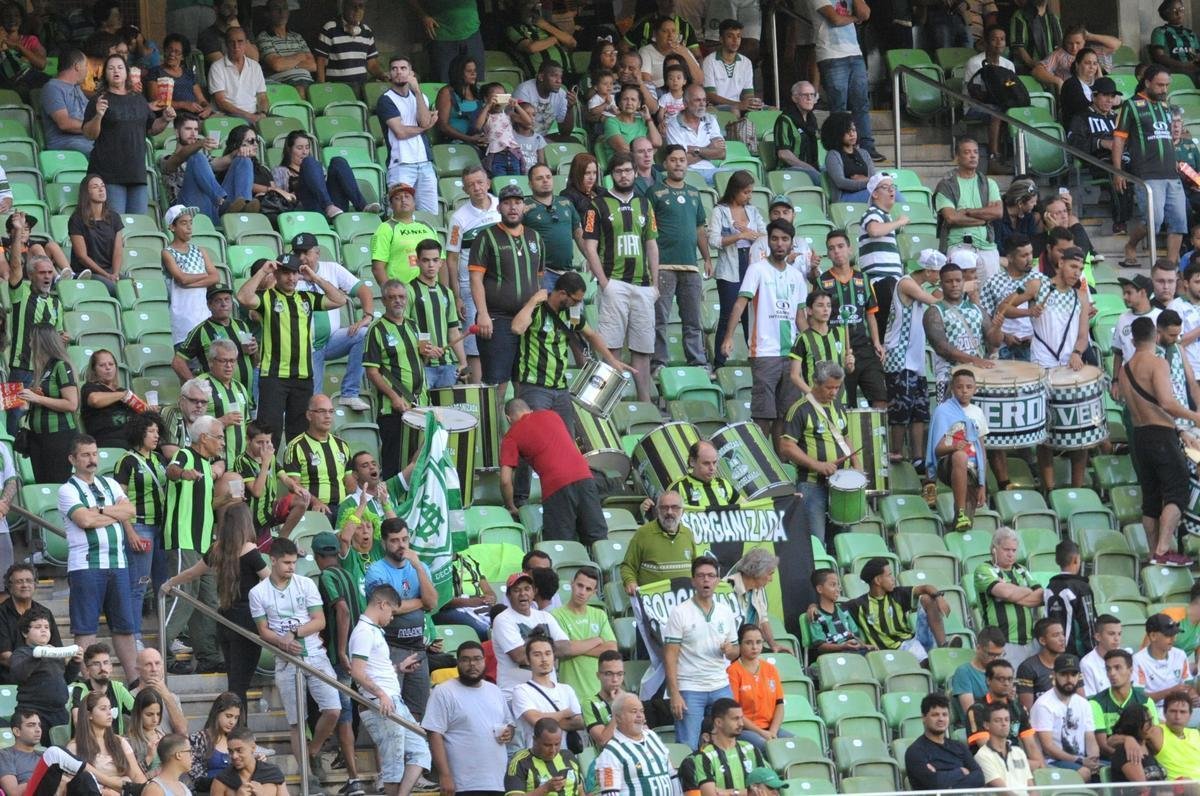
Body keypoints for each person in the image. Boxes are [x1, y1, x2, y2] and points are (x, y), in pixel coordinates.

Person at [249, 537, 342, 781]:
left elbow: (319, 621)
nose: (292, 567)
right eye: (287, 563)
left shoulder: (305, 584)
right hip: (285, 659)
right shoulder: (258, 592)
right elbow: (263, 629)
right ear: (273, 560)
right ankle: (307, 775)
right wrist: (282, 642)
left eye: (294, 562)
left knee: (333, 709)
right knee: (296, 721)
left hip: (314, 653)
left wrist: (295, 633)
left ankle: (313, 750)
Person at [999, 246, 1092, 491]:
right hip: (1042, 365)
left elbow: (1083, 335)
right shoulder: (1037, 285)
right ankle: (1049, 488)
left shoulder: (1081, 295)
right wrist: (1028, 311)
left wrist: (1077, 352)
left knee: (1079, 430)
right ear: (1060, 263)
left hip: (1069, 367)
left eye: (1081, 269)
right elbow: (1004, 307)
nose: (1077, 272)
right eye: (1073, 266)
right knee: (1045, 431)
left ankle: (1078, 488)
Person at [236, 254, 347, 446]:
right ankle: (268, 474)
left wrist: (316, 278)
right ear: (277, 274)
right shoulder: (267, 298)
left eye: (295, 273)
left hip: (303, 377)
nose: (291, 278)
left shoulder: (307, 298)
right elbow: (243, 297)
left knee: (300, 435)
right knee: (270, 432)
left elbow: (339, 300)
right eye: (286, 273)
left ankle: (294, 475)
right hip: (273, 377)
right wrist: (263, 270)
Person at [162, 503, 266, 705]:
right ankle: (236, 730)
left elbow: (192, 573)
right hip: (246, 622)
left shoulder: (217, 549)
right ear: (246, 524)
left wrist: (169, 583)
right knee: (240, 684)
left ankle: (231, 726)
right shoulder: (251, 550)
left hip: (225, 619)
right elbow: (271, 581)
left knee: (234, 682)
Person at [58, 434, 139, 683]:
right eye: (85, 455)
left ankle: (135, 682)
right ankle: (89, 684)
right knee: (85, 629)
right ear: (72, 459)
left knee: (125, 626)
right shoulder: (67, 490)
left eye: (94, 454)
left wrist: (101, 512)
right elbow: (84, 520)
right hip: (86, 565)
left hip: (118, 563)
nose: (92, 459)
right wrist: (113, 514)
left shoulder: (111, 484)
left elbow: (131, 510)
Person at [721, 219, 807, 443]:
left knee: (784, 414)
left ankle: (781, 465)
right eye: (775, 239)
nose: (779, 244)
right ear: (768, 241)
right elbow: (740, 303)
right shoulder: (757, 269)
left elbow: (800, 317)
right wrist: (729, 336)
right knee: (762, 414)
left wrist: (812, 346)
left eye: (785, 239)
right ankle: (762, 462)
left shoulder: (797, 277)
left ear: (791, 243)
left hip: (791, 355)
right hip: (763, 353)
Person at [1123, 316, 1200, 566]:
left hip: (1140, 436)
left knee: (1151, 499)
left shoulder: (1124, 368)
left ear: (1133, 339)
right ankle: (1163, 550)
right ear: (1156, 335)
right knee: (1178, 492)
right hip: (1161, 436)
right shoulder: (1157, 363)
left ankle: (1152, 552)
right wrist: (1194, 416)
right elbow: (1167, 403)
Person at [511, 273, 626, 433]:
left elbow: (591, 335)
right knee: (537, 439)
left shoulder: (572, 314)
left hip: (561, 388)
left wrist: (612, 360)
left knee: (567, 442)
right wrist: (533, 300)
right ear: (563, 294)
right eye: (576, 300)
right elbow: (516, 328)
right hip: (535, 387)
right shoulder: (537, 309)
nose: (578, 304)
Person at [348, 583, 431, 796]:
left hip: (390, 700)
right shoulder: (364, 632)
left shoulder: (372, 631)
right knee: (393, 765)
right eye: (392, 612)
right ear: (382, 604)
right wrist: (381, 694)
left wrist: (399, 668)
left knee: (420, 752)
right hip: (381, 702)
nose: (392, 618)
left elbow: (374, 670)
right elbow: (357, 672)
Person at [470, 184, 545, 398]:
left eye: (517, 202)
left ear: (524, 207)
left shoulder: (535, 238)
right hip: (497, 320)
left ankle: (520, 430)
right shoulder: (486, 237)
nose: (513, 207)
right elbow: (475, 280)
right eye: (507, 203)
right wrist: (482, 314)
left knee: (524, 382)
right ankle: (493, 431)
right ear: (499, 208)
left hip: (528, 320)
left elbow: (539, 279)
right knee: (497, 384)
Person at [1113, 65, 1187, 266]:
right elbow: (1119, 140)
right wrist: (1117, 171)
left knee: (1179, 221)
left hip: (1171, 174)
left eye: (1167, 85)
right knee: (1153, 221)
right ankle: (1131, 245)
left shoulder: (1166, 107)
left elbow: (1168, 138)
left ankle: (1171, 265)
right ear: (1147, 82)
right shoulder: (1131, 106)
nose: (1164, 89)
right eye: (1160, 85)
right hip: (1147, 173)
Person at [663, 556, 738, 750]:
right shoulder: (680, 612)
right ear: (693, 581)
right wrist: (675, 694)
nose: (706, 580)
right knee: (688, 745)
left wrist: (730, 651)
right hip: (690, 686)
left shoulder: (725, 611)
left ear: (717, 580)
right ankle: (689, 781)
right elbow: (670, 656)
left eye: (711, 576)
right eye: (701, 576)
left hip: (720, 684)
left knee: (727, 740)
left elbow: (735, 651)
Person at [82, 54, 172, 214]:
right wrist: (98, 116)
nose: (115, 71)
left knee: (138, 225)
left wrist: (165, 119)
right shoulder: (99, 100)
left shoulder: (138, 99)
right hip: (109, 173)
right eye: (111, 68)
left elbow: (151, 128)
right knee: (117, 224)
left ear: (126, 73)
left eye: (120, 67)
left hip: (136, 173)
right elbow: (89, 134)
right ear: (105, 74)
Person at [778, 360, 855, 544]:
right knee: (816, 540)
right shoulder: (799, 409)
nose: (834, 392)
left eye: (837, 387)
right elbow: (786, 446)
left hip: (840, 485)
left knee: (842, 540)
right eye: (829, 387)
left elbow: (845, 438)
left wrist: (857, 467)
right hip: (812, 485)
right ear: (816, 383)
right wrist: (817, 465)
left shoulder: (838, 407)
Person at [423, 639, 511, 794]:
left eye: (477, 659)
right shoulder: (444, 691)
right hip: (462, 783)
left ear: (484, 661)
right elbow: (434, 734)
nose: (472, 664)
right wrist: (445, 775)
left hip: (496, 781)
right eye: (465, 659)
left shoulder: (495, 691)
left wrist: (509, 732)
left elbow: (508, 725)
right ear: (457, 663)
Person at [883, 251, 943, 468]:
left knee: (919, 410)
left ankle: (918, 457)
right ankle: (896, 452)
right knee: (901, 409)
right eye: (938, 273)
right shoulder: (906, 283)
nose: (939, 277)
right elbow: (934, 301)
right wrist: (959, 287)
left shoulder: (919, 285)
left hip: (914, 357)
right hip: (898, 356)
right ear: (927, 271)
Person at [362, 279, 426, 480]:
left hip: (420, 405)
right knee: (394, 462)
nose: (398, 301)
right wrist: (394, 397)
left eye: (401, 297)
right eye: (392, 298)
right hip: (392, 409)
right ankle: (392, 507)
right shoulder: (376, 329)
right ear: (384, 300)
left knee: (419, 460)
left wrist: (432, 352)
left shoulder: (415, 326)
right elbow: (372, 372)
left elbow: (423, 356)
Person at [817, 230, 889, 407]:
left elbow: (870, 313)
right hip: (836, 351)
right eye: (832, 248)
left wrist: (877, 342)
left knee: (880, 397)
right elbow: (817, 317)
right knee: (843, 404)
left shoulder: (863, 279)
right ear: (828, 254)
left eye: (841, 246)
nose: (837, 251)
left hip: (864, 349)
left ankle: (877, 434)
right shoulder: (821, 281)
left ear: (849, 249)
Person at [446, 165, 500, 382]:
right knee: (474, 342)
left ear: (488, 183)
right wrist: (456, 295)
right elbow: (451, 259)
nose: (477, 188)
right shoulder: (458, 219)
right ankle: (477, 391)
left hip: (500, 283)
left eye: (480, 182)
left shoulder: (502, 206)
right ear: (465, 189)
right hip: (470, 285)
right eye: (471, 185)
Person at [709, 170, 765, 368]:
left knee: (752, 315)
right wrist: (739, 236)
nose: (749, 196)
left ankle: (756, 360)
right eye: (745, 192)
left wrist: (749, 233)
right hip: (730, 267)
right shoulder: (720, 211)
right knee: (728, 314)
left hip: (750, 263)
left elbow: (765, 237)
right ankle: (719, 363)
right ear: (735, 190)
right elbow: (714, 241)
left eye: (750, 192)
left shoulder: (753, 211)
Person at [158, 115, 256, 224]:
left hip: (211, 207)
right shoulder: (165, 159)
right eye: (188, 129)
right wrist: (199, 144)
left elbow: (222, 161)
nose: (193, 133)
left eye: (195, 129)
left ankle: (245, 209)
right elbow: (179, 157)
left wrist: (240, 152)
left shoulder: (203, 159)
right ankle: (221, 202)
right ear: (176, 132)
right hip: (186, 210)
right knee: (196, 157)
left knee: (243, 160)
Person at [848, 557, 949, 659]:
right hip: (890, 654)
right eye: (889, 575)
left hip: (912, 642)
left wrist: (938, 597)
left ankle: (944, 647)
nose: (893, 579)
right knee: (919, 654)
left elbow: (925, 588)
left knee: (928, 599)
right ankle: (928, 662)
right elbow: (835, 611)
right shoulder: (859, 605)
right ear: (878, 580)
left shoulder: (897, 594)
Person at [928, 367, 989, 530]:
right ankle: (960, 510)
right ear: (953, 389)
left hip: (972, 469)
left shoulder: (977, 412)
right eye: (959, 387)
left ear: (975, 389)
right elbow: (937, 450)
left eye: (969, 387)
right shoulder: (943, 411)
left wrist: (983, 484)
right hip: (949, 464)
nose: (964, 391)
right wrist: (954, 447)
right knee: (960, 456)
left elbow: (981, 449)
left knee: (966, 524)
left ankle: (958, 530)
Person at [492, 571, 570, 695]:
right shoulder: (503, 619)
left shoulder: (545, 616)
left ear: (534, 592)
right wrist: (549, 648)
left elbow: (566, 647)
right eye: (516, 590)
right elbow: (520, 656)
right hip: (515, 693)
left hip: (548, 691)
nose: (523, 593)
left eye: (527, 589)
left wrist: (533, 649)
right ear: (508, 595)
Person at [935, 138, 1002, 282]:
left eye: (976, 152)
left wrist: (968, 211)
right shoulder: (947, 185)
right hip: (959, 245)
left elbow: (998, 212)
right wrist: (984, 218)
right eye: (967, 152)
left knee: (992, 292)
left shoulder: (989, 183)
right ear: (957, 157)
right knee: (961, 292)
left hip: (987, 246)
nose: (973, 156)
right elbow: (951, 218)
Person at [376, 55, 437, 214]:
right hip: (401, 163)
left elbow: (423, 122)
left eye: (403, 68)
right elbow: (401, 132)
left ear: (411, 73)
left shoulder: (421, 97)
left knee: (430, 214)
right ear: (389, 74)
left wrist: (417, 91)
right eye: (394, 69)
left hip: (424, 162)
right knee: (399, 213)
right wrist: (426, 127)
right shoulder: (385, 100)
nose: (398, 72)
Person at [975, 526, 1044, 664]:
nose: (1011, 554)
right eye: (1006, 549)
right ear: (994, 549)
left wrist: (1011, 596)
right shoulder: (984, 569)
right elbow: (1004, 592)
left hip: (1030, 642)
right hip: (1002, 643)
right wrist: (1023, 590)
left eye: (1014, 550)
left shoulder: (1021, 569)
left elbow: (1041, 595)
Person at [550, 567, 617, 709]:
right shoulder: (556, 615)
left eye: (588, 589)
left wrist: (575, 647)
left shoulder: (599, 615)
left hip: (599, 693)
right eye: (580, 585)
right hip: (571, 694)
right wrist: (596, 641)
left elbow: (611, 649)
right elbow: (563, 649)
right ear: (571, 583)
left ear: (594, 593)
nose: (582, 592)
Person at [272, 131, 376, 219]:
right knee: (309, 162)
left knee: (338, 161)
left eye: (307, 148)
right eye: (299, 148)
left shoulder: (316, 166)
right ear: (289, 150)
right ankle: (328, 206)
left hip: (335, 207)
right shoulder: (280, 171)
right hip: (307, 207)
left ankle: (363, 206)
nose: (304, 152)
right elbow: (280, 199)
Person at [1031, 654, 1100, 780]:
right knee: (1084, 772)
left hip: (1081, 760)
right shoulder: (1044, 704)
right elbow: (1048, 747)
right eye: (1064, 674)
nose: (1069, 679)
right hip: (1053, 761)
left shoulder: (1083, 703)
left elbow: (1090, 738)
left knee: (1109, 769)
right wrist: (1080, 761)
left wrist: (1093, 759)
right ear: (1054, 675)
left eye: (1073, 675)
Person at [966, 658, 1044, 768]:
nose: (1007, 683)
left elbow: (1031, 746)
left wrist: (1042, 771)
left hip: (1017, 763)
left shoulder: (1018, 708)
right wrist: (1024, 764)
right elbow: (988, 749)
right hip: (989, 767)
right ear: (988, 680)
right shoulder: (977, 710)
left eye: (1010, 679)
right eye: (1001, 679)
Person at [10, 609, 75, 742]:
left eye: (46, 627)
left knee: (60, 750)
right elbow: (19, 674)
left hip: (58, 713)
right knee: (36, 749)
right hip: (33, 712)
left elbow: (66, 679)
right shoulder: (21, 653)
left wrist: (75, 663)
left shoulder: (55, 653)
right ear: (25, 632)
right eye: (38, 627)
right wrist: (38, 655)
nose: (44, 630)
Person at [593, 693, 679, 794]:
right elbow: (610, 793)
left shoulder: (652, 736)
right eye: (633, 712)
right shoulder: (610, 753)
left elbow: (672, 774)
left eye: (641, 711)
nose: (640, 716)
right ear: (618, 718)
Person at [511, 635, 585, 751]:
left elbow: (580, 722)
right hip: (537, 757)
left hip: (567, 756)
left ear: (554, 657)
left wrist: (546, 719)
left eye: (548, 653)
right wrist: (564, 713)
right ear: (528, 660)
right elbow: (537, 721)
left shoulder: (567, 689)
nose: (544, 659)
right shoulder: (521, 690)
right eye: (537, 655)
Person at [619, 491, 700, 594]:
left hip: (685, 602)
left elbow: (696, 567)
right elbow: (627, 566)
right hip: (654, 603)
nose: (669, 512)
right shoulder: (643, 533)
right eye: (664, 507)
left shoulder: (688, 534)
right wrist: (630, 581)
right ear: (657, 510)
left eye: (674, 507)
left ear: (682, 511)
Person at [161, 206, 219, 344]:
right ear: (172, 227)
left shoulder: (200, 250)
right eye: (183, 223)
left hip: (204, 313)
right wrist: (205, 275)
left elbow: (216, 277)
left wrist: (189, 281)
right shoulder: (167, 253)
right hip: (183, 317)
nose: (189, 227)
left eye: (190, 222)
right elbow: (181, 279)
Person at [0, 565, 68, 683]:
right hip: (9, 678)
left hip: (44, 677)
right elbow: (4, 657)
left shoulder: (45, 612)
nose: (25, 585)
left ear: (35, 584)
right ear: (10, 586)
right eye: (19, 581)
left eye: (29, 581)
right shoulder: (1, 613)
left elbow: (57, 650)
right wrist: (35, 667)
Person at [726, 624, 788, 752]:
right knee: (769, 748)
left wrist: (773, 731)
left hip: (771, 729)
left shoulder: (770, 669)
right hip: (745, 730)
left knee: (797, 744)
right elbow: (735, 712)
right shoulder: (733, 671)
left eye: (759, 642)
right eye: (749, 643)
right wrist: (762, 733)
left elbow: (780, 704)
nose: (754, 647)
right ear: (740, 645)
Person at [905, 693, 985, 790]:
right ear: (924, 718)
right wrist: (960, 771)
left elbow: (979, 777)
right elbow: (933, 784)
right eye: (935, 715)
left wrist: (947, 784)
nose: (941, 719)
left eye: (945, 714)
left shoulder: (959, 747)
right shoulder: (915, 751)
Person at [67, 691, 145, 789]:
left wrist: (145, 790)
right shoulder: (75, 747)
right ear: (89, 715)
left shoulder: (120, 742)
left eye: (109, 708)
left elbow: (136, 774)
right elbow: (73, 784)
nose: (109, 713)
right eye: (103, 709)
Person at [1091, 648, 1159, 760]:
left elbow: (1153, 737)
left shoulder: (1146, 702)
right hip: (1112, 761)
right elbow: (1103, 746)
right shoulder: (1096, 703)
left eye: (1117, 668)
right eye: (1108, 669)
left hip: (1143, 757)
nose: (1112, 673)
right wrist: (1128, 757)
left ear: (1130, 670)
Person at [370, 184, 439, 287]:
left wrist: (444, 291)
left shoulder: (427, 226)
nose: (403, 200)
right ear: (391, 205)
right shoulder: (385, 228)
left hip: (431, 290)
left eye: (407, 196)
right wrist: (391, 293)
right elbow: (377, 268)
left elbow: (441, 261)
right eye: (397, 198)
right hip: (401, 292)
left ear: (414, 202)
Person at [68, 174, 124, 291]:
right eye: (95, 187)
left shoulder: (114, 217)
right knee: (115, 288)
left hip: (109, 271)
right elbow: (82, 256)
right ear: (86, 193)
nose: (101, 189)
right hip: (87, 272)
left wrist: (115, 274)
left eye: (102, 186)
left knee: (130, 287)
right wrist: (106, 275)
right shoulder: (77, 219)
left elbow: (118, 250)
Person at [313, 0, 386, 87]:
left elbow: (372, 64)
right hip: (338, 87)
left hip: (361, 87)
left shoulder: (367, 32)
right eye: (353, 6)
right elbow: (321, 60)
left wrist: (383, 76)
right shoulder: (330, 28)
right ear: (344, 7)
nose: (357, 10)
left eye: (361, 6)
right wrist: (322, 85)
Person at [1133, 613, 1198, 711]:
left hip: (1180, 708)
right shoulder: (1138, 660)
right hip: (1152, 710)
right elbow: (1139, 699)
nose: (1173, 638)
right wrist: (1170, 692)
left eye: (1175, 634)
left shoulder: (1180, 655)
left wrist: (1193, 695)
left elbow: (1188, 684)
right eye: (1168, 635)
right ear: (1153, 636)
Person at [1044, 540, 1097, 659]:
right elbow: (1088, 624)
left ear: (1057, 561)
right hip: (1077, 656)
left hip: (1053, 655)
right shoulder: (1082, 587)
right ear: (1076, 560)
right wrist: (1094, 655)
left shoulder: (1049, 587)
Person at [505, 717, 585, 796]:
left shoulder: (568, 756)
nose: (553, 750)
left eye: (557, 744)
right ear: (535, 740)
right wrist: (545, 788)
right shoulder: (520, 762)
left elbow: (580, 791)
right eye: (547, 745)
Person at [67, 642, 134, 734]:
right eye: (96, 664)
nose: (102, 668)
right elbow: (77, 721)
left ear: (111, 667)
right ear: (87, 669)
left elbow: (139, 712)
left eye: (106, 663)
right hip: (88, 744)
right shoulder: (80, 690)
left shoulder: (118, 688)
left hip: (116, 745)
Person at [665, 84, 726, 184]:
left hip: (712, 170)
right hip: (688, 173)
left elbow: (722, 154)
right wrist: (709, 148)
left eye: (704, 100)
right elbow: (680, 161)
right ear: (685, 103)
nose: (702, 104)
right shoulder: (673, 125)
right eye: (697, 100)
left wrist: (695, 150)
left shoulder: (710, 119)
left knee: (743, 176)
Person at [255, 0, 315, 95]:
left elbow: (313, 65)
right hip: (282, 84)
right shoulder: (264, 37)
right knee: (300, 90)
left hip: (308, 82)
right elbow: (277, 65)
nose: (281, 12)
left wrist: (288, 63)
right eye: (276, 8)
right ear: (268, 13)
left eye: (285, 8)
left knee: (324, 92)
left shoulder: (297, 37)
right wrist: (299, 57)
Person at [806, 568, 870, 657]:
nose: (838, 589)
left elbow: (855, 636)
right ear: (820, 589)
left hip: (854, 652)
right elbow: (820, 647)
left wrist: (866, 646)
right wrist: (842, 647)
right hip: (835, 657)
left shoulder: (844, 608)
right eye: (833, 585)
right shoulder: (815, 614)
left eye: (838, 585)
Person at [207, 28, 266, 123]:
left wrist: (263, 113)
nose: (236, 46)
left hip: (254, 115)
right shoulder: (217, 67)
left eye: (240, 41)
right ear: (226, 44)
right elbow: (221, 102)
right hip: (227, 116)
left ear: (246, 44)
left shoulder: (255, 66)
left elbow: (262, 96)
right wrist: (249, 116)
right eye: (231, 42)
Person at [41, 49, 93, 153]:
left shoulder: (76, 87)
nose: (87, 70)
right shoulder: (52, 88)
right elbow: (64, 124)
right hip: (67, 143)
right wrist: (93, 127)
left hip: (86, 141)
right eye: (86, 65)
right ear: (77, 66)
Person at [974, 702, 1034, 790]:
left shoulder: (1019, 752)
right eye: (998, 720)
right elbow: (1004, 791)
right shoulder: (982, 756)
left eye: (1007, 720)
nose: (1004, 723)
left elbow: (1031, 788)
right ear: (986, 725)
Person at [701, 19, 757, 114]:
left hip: (738, 107)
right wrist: (736, 104)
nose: (735, 40)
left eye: (738, 36)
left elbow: (748, 94)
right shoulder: (709, 61)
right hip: (716, 108)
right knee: (734, 110)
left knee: (772, 110)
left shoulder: (746, 62)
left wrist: (752, 103)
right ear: (721, 39)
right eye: (730, 36)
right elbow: (710, 96)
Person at [210, 726, 286, 796]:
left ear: (253, 747)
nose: (234, 756)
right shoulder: (221, 780)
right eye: (230, 751)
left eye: (239, 750)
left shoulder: (273, 773)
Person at [185, 692, 241, 786]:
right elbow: (196, 776)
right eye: (228, 716)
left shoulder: (237, 739)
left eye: (236, 718)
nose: (232, 722)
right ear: (217, 713)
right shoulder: (198, 739)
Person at [148, 34, 210, 117]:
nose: (172, 54)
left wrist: (207, 107)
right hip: (168, 118)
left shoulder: (189, 74)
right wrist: (183, 105)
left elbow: (201, 100)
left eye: (177, 52)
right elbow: (155, 101)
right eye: (169, 50)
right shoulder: (155, 72)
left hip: (193, 117)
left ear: (183, 56)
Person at [952, 627, 1008, 718]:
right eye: (991, 654)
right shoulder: (964, 672)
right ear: (978, 648)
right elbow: (971, 713)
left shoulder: (1001, 671)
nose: (996, 659)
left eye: (999, 655)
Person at [513, 61, 577, 142]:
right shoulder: (523, 91)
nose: (559, 81)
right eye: (554, 76)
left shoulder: (561, 94)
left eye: (560, 77)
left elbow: (565, 132)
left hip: (543, 137)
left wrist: (570, 108)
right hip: (520, 137)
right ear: (541, 77)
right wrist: (543, 143)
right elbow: (521, 128)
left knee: (573, 141)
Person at [1145, 690, 1200, 780]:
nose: (1177, 717)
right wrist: (1128, 741)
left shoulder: (1195, 733)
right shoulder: (1157, 732)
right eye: (1173, 711)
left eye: (1183, 712)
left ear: (1190, 715)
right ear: (1164, 713)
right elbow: (1129, 734)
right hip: (1177, 789)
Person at [822, 112, 875, 202]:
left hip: (866, 192)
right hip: (845, 198)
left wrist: (868, 181)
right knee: (881, 194)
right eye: (847, 131)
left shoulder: (863, 153)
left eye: (854, 130)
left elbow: (873, 177)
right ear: (836, 133)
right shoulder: (833, 155)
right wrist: (868, 182)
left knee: (889, 191)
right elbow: (841, 182)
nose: (852, 134)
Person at [774, 81, 821, 181]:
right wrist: (808, 168)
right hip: (789, 170)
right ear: (794, 98)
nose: (809, 98)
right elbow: (783, 153)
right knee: (819, 178)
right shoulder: (785, 119)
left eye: (812, 95)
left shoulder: (812, 119)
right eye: (805, 95)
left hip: (811, 167)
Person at [1017, 618, 1068, 710]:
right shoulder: (1028, 667)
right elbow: (1027, 710)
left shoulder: (1070, 663)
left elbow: (1080, 701)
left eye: (1062, 634)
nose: (1062, 639)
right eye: (1056, 635)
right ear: (1042, 641)